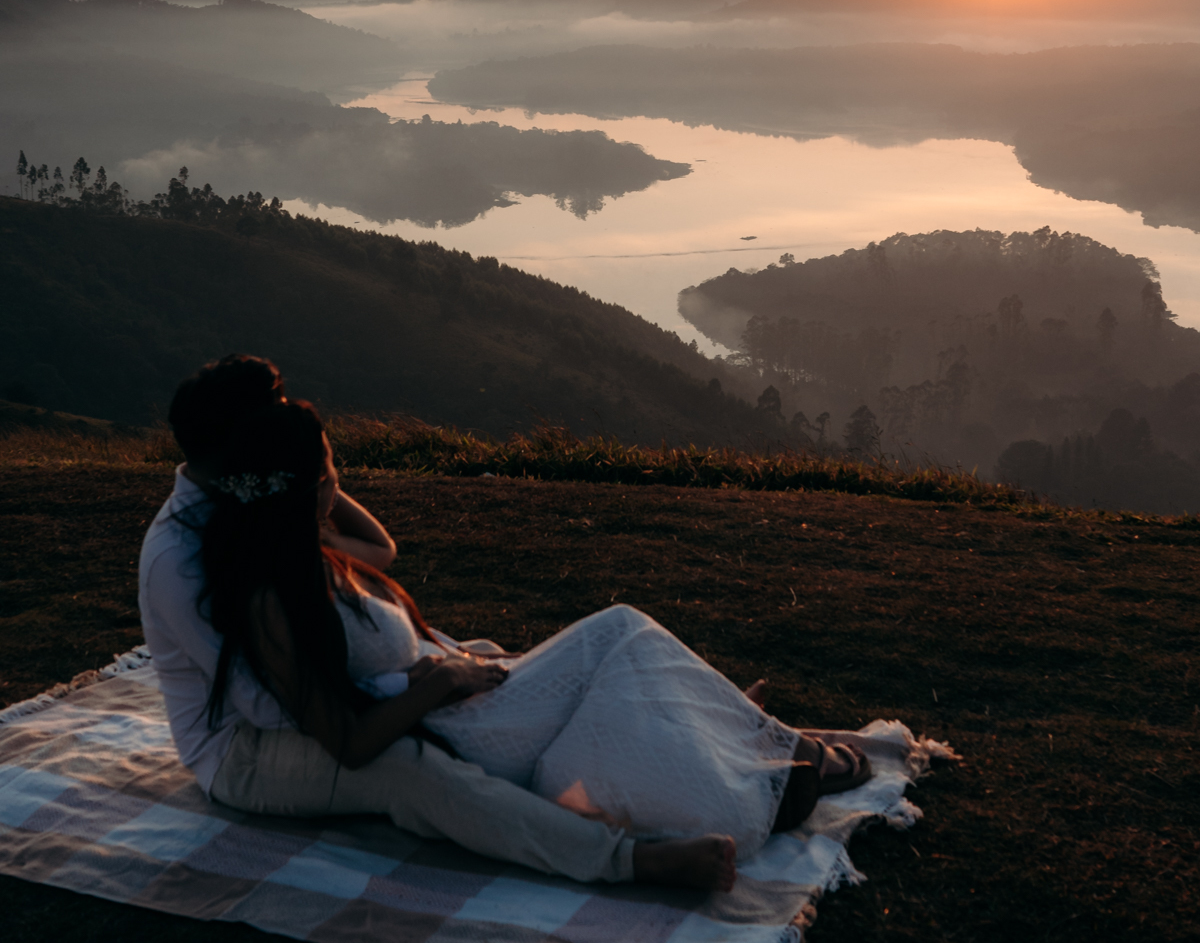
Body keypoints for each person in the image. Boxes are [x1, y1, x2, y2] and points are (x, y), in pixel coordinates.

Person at [140, 358, 867, 895]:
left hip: (395, 685)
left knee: (596, 643)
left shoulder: (271, 528)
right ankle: (632, 856)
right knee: (415, 771)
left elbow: (380, 552)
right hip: (250, 748)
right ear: (240, 450)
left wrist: (312, 485)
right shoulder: (185, 558)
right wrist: (422, 682)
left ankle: (718, 723)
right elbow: (269, 705)